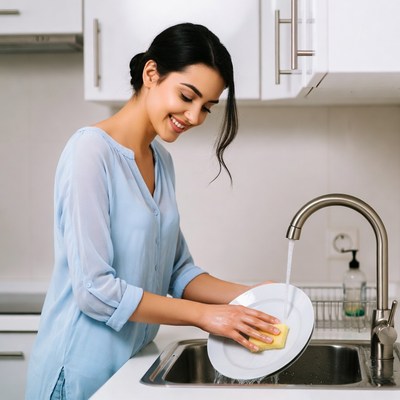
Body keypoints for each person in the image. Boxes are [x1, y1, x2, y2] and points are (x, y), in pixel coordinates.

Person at [25, 23, 280, 400]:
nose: (194, 116)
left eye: (206, 107)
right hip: (78, 374)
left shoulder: (161, 161)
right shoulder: (90, 152)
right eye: (187, 96)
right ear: (151, 74)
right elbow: (95, 291)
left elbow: (178, 272)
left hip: (130, 366)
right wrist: (202, 315)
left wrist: (252, 295)